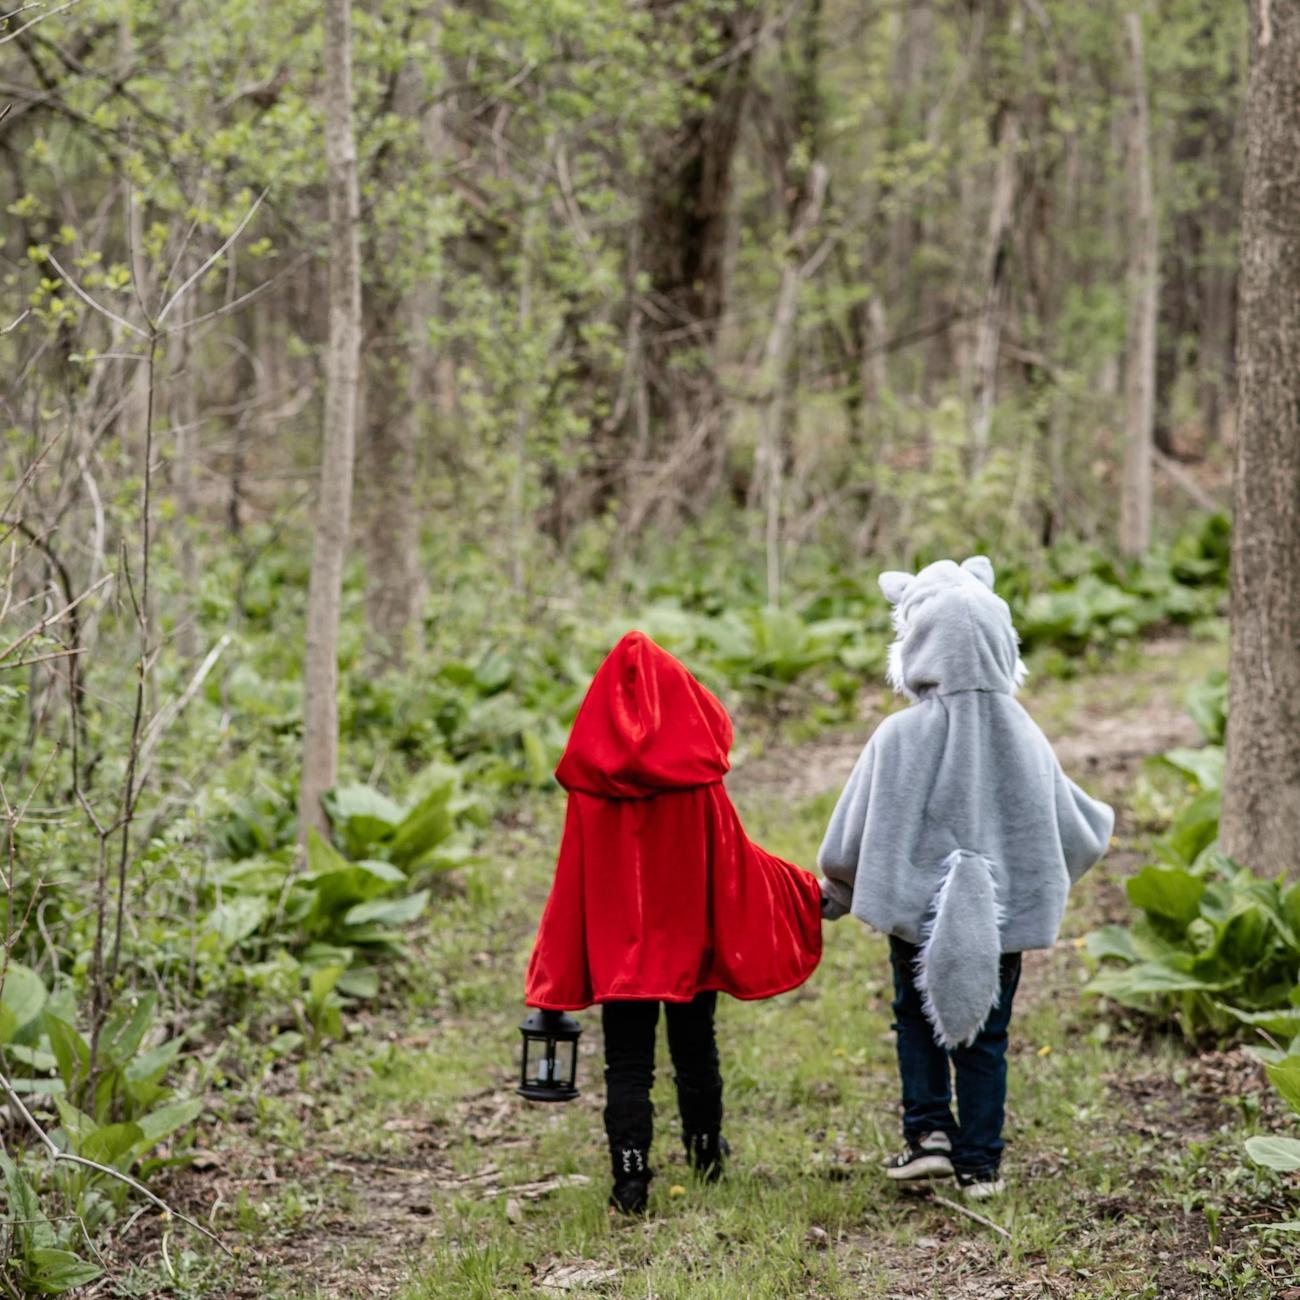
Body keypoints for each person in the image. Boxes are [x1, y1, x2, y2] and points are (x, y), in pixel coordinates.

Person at [818, 557, 1113, 1200]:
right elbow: (1074, 822)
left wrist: (838, 887)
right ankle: (981, 1164)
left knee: (914, 1015)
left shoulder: (898, 737)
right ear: (999, 645)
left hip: (917, 909)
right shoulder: (1026, 736)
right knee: (988, 1031)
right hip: (1002, 912)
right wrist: (1062, 858)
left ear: (918, 644)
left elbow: (856, 827)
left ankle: (928, 1137)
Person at [524, 631, 823, 1215]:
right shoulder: (697, 786)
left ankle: (630, 1182)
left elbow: (572, 883)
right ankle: (705, 1154)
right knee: (696, 1048)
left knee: (627, 1063)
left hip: (618, 954)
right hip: (691, 943)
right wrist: (805, 890)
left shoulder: (591, 791)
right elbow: (734, 860)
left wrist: (552, 970)